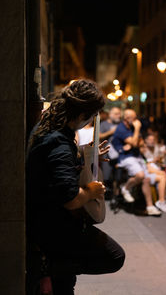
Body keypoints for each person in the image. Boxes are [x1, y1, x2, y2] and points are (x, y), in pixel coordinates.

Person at [26, 79, 125, 295]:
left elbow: (50, 161)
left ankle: (55, 266)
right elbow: (69, 199)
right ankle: (51, 266)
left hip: (45, 223)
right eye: (91, 116)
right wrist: (92, 191)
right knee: (115, 256)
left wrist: (84, 154)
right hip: (54, 227)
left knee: (65, 284)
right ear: (81, 115)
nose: (91, 120)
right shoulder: (60, 143)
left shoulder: (49, 127)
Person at [112, 109, 162, 216]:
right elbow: (135, 143)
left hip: (136, 156)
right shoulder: (121, 128)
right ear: (126, 118)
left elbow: (141, 143)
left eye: (136, 118)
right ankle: (125, 188)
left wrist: (134, 143)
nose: (136, 121)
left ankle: (149, 206)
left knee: (146, 179)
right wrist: (137, 130)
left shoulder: (132, 127)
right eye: (134, 118)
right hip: (126, 157)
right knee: (140, 175)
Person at [99, 107, 121, 198]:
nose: (118, 116)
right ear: (110, 114)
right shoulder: (104, 124)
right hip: (106, 153)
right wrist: (111, 132)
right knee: (106, 176)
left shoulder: (120, 124)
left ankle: (116, 195)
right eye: (116, 114)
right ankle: (104, 194)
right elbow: (99, 136)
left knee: (118, 176)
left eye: (119, 113)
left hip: (118, 153)